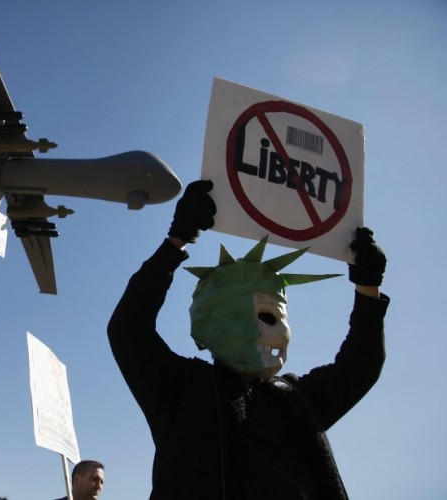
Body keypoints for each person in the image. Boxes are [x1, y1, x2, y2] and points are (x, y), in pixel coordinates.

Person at [107, 180, 389, 499]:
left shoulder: (298, 398)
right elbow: (129, 329)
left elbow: (359, 366)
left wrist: (368, 288)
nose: (280, 332)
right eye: (266, 317)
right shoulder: (180, 388)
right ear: (212, 324)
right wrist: (176, 241)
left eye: (281, 318)